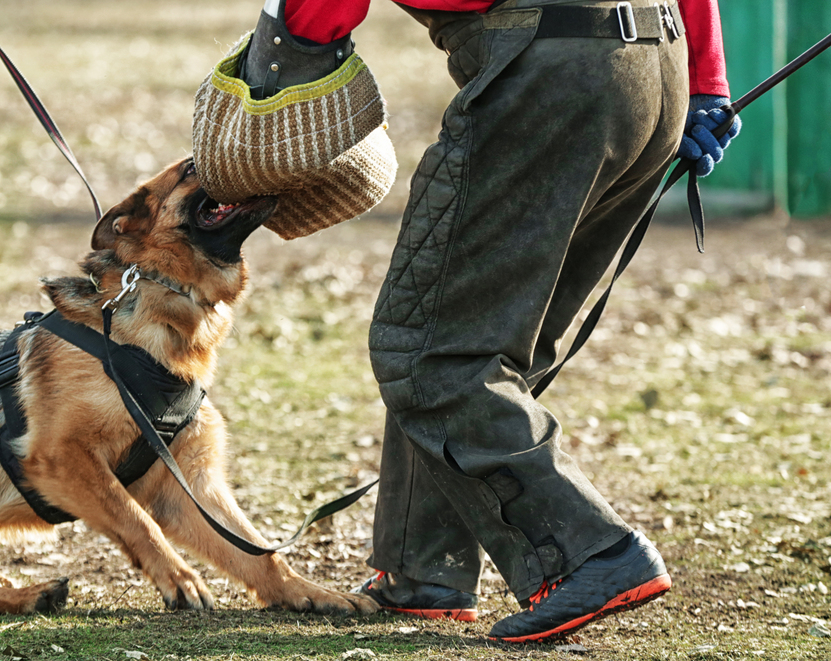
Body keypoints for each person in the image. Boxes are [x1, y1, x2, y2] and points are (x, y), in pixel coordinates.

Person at [203, 0, 739, 643]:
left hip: (550, 72)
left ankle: (589, 553)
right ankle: (424, 571)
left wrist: (271, 82)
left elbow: (317, 15)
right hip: (654, 63)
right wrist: (706, 80)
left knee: (430, 350)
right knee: (471, 329)